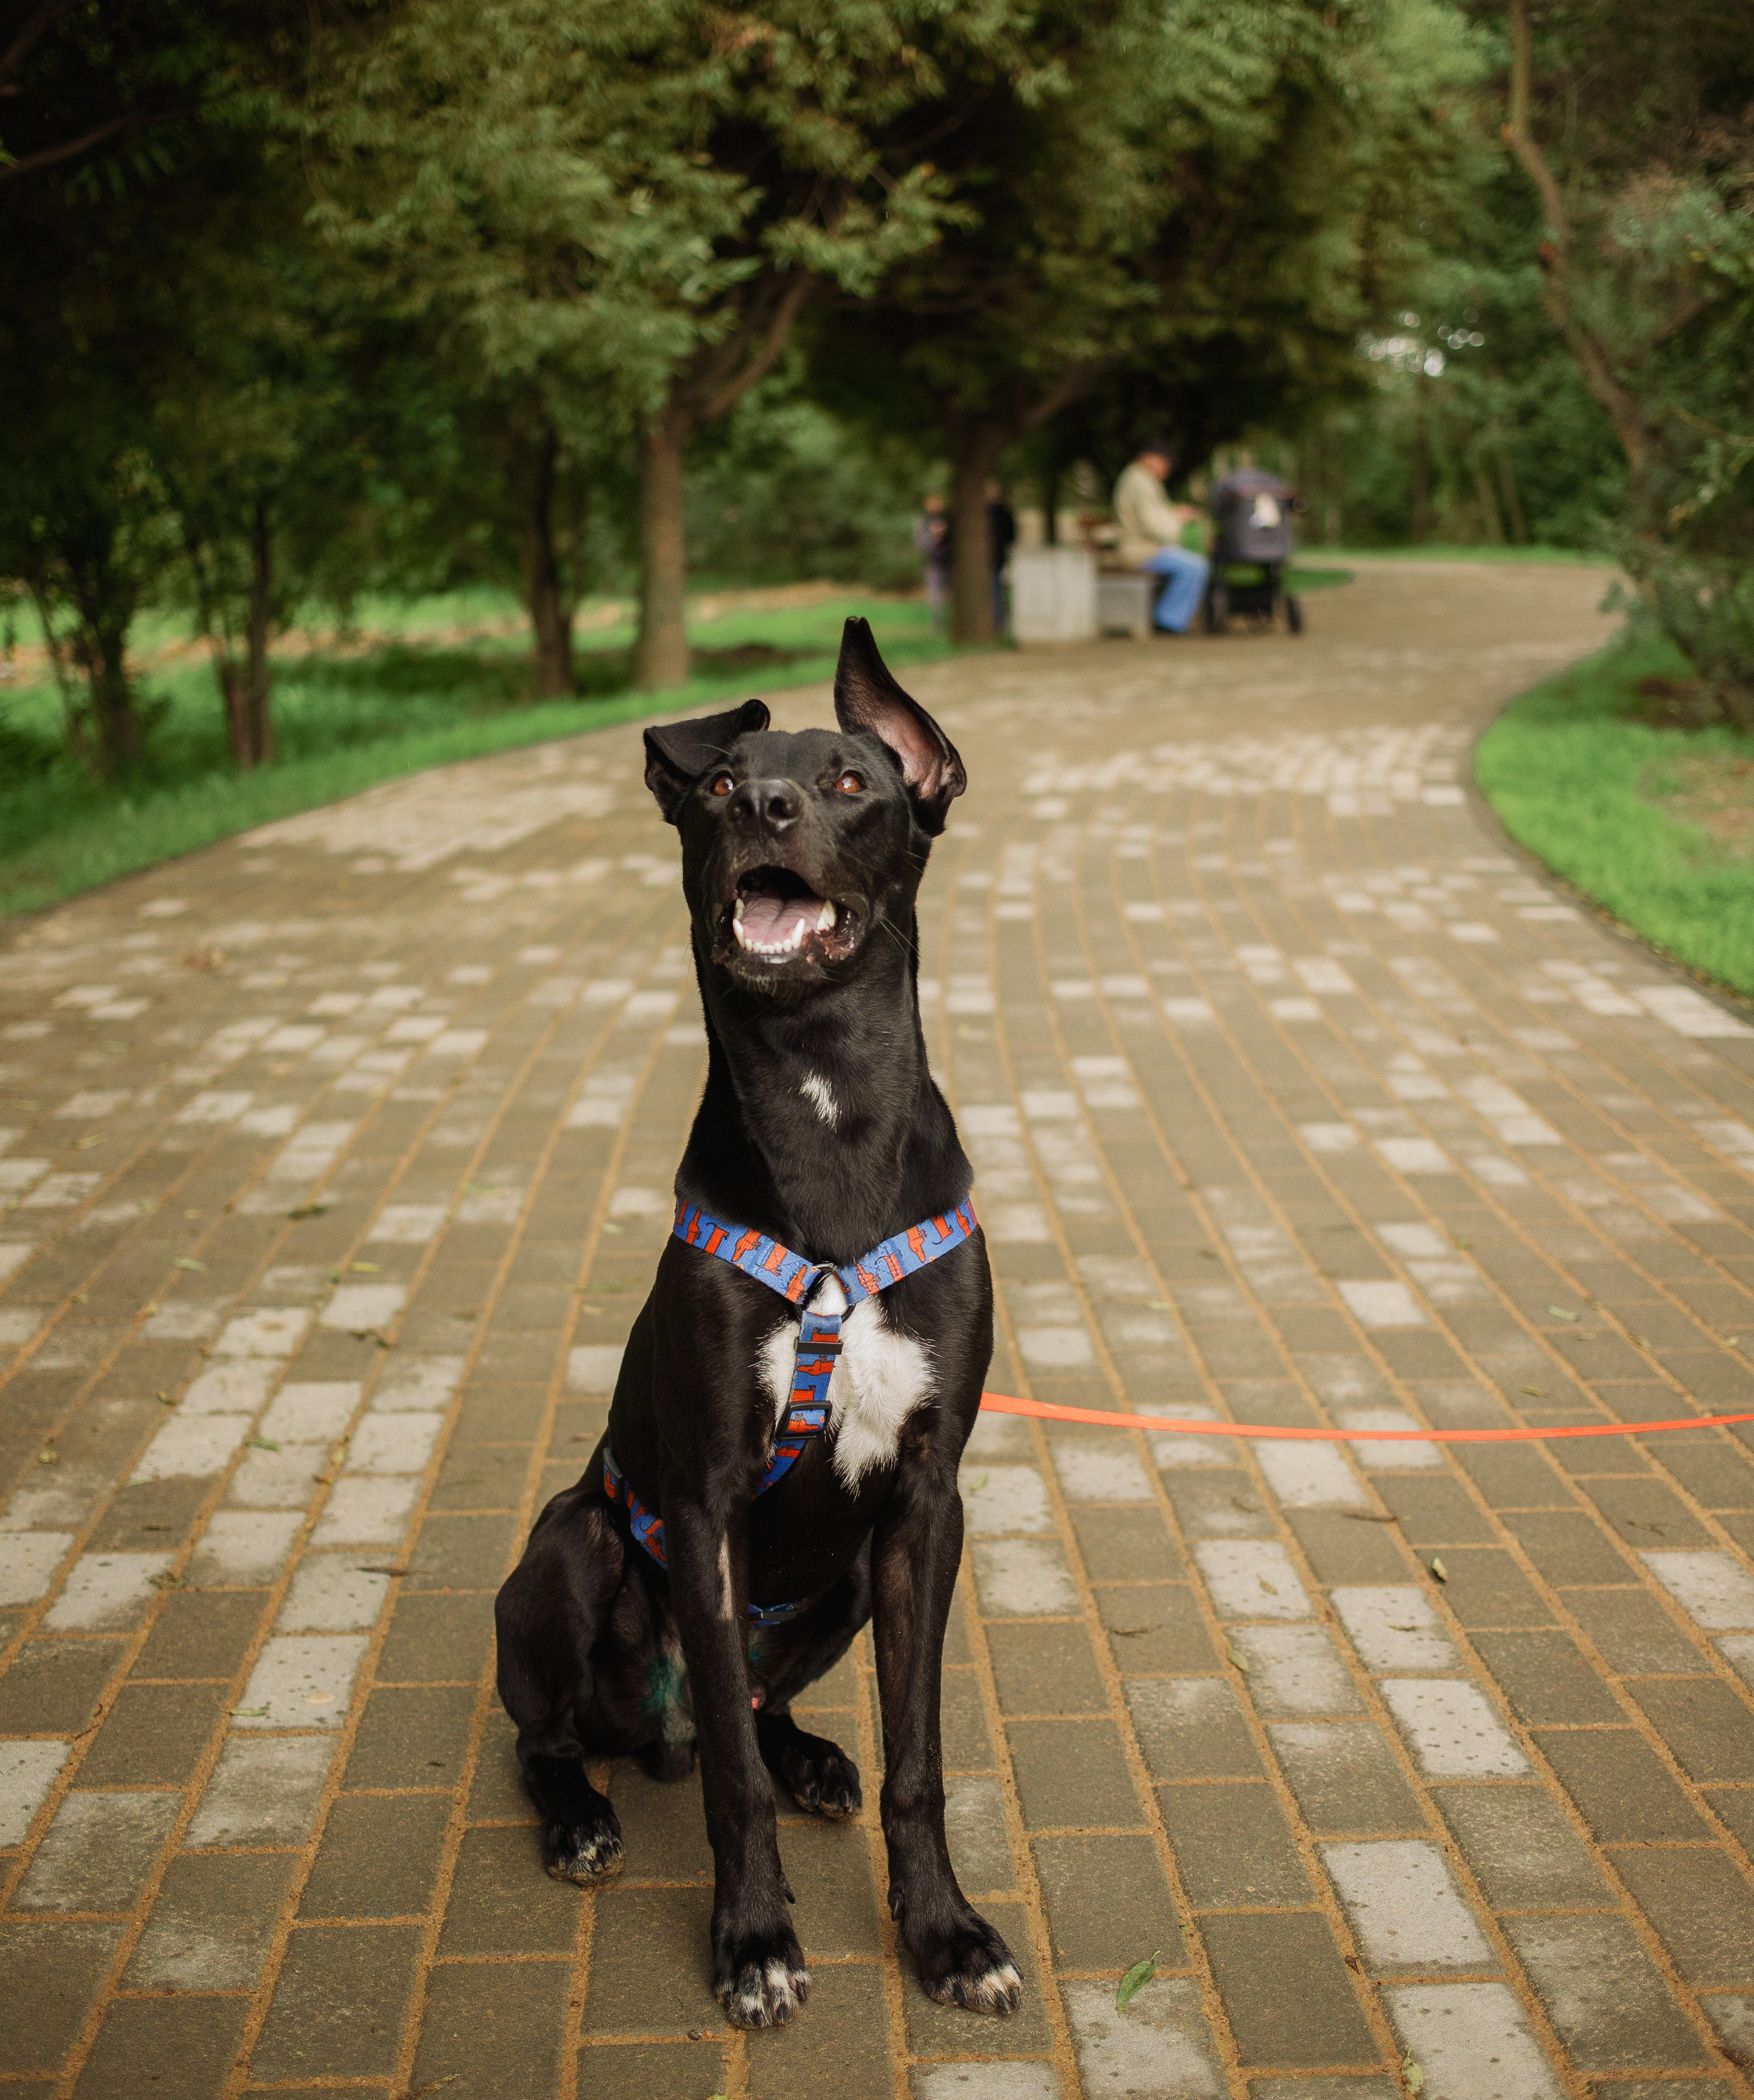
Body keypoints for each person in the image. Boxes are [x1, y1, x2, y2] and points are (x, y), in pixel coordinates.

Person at [1113, 442, 1210, 635]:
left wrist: (1172, 513)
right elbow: (1153, 525)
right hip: (1140, 551)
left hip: (1142, 547)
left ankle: (1169, 619)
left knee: (1193, 564)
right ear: (1149, 457)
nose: (1167, 469)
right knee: (1195, 567)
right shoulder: (1140, 482)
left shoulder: (1138, 479)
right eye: (1165, 462)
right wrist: (1178, 518)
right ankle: (1168, 621)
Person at [913, 493, 951, 630]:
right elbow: (919, 543)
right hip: (933, 562)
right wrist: (932, 536)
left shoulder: (949, 519)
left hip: (950, 562)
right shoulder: (923, 521)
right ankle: (938, 625)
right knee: (935, 596)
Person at [986, 480, 1016, 637]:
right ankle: (1000, 620)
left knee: (994, 588)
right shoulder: (1006, 512)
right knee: (997, 587)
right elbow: (1012, 537)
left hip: (993, 557)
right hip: (1000, 556)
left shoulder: (985, 513)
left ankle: (997, 621)